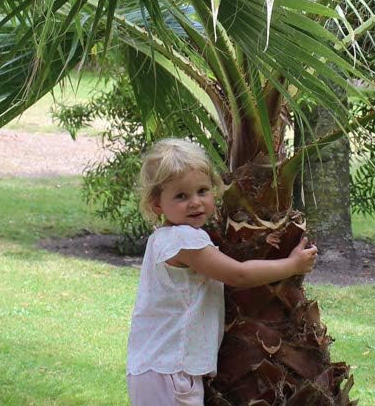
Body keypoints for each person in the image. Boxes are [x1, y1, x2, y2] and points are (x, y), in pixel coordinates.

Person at [126, 137, 318, 406]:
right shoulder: (184, 242)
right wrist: (292, 265)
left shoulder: (165, 238)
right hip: (170, 372)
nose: (195, 202)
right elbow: (237, 275)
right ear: (157, 204)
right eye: (181, 196)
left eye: (203, 191)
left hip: (160, 368)